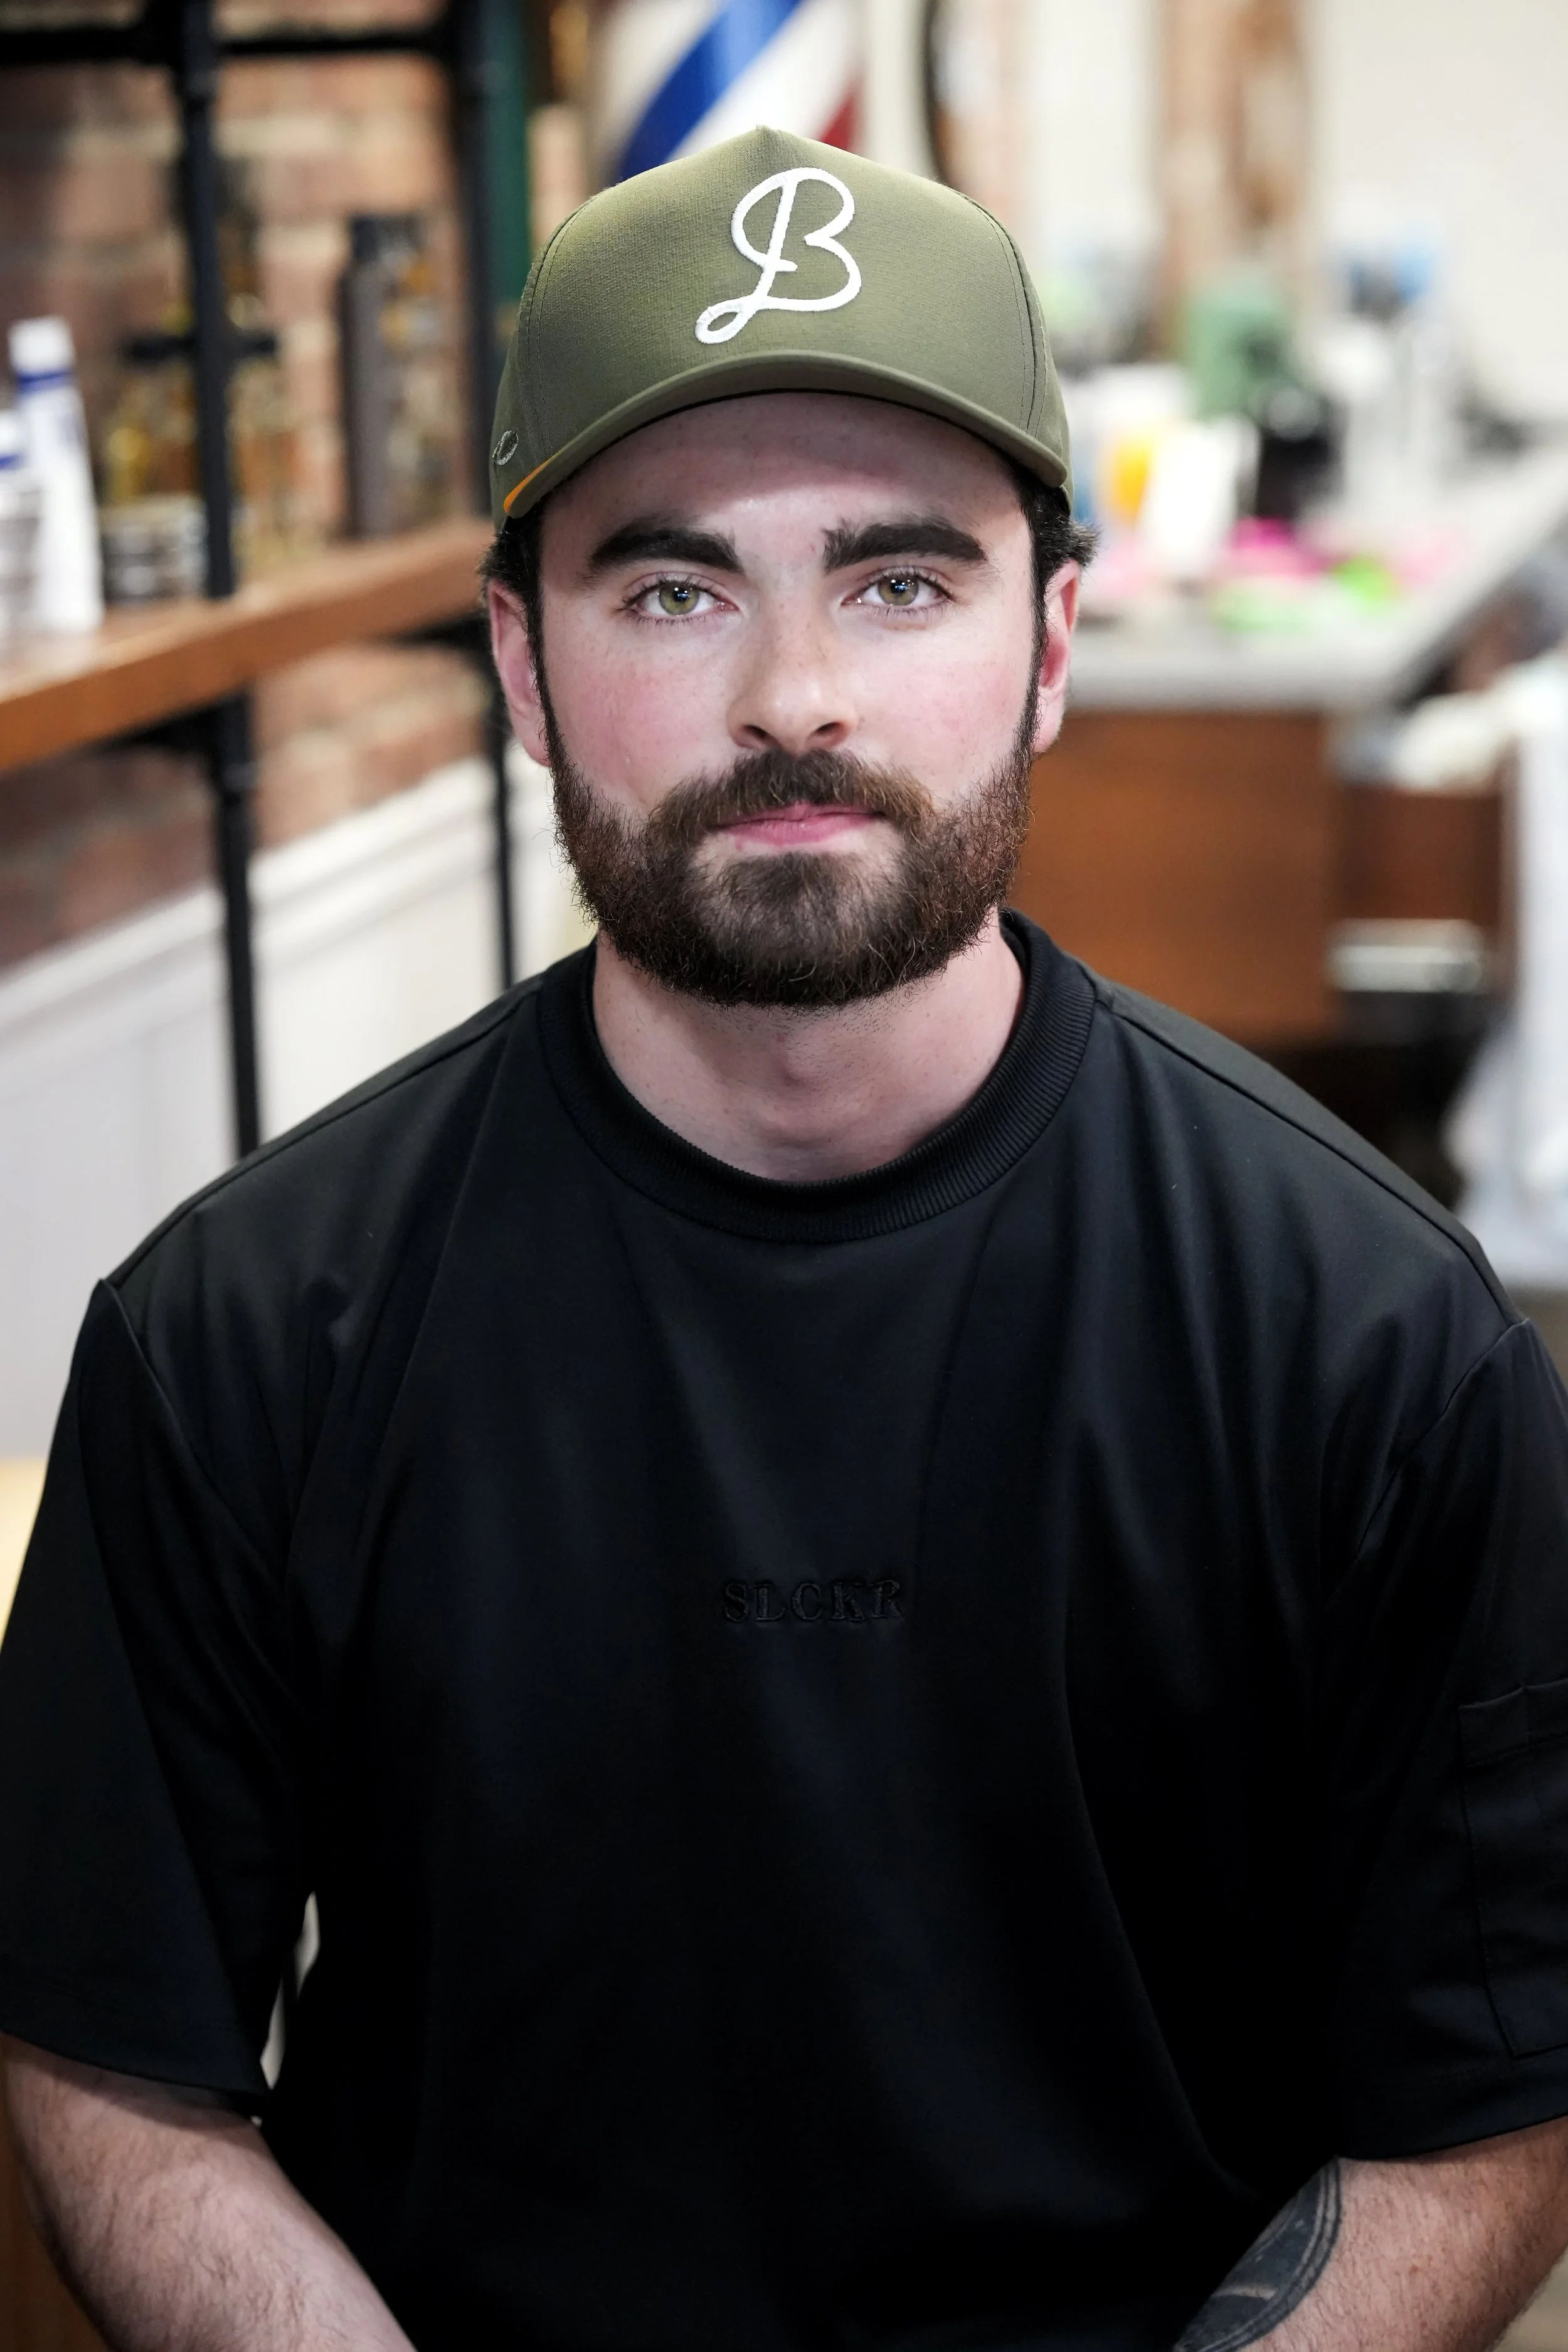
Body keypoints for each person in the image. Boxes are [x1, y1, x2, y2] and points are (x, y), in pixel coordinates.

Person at [3, 125, 1568, 2352]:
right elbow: (112, 2054)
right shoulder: (233, 1345)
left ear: (1046, 647)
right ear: (524, 671)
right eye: (671, 589)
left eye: (899, 581)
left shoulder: (1380, 1347)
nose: (792, 697)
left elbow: (1479, 2093)